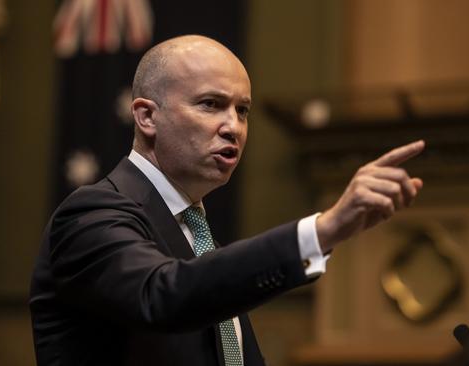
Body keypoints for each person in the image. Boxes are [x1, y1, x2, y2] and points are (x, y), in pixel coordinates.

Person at [29, 34, 425, 366]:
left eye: (243, 110)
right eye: (211, 104)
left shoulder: (197, 237)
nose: (233, 127)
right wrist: (320, 232)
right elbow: (162, 295)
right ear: (147, 117)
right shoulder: (91, 214)